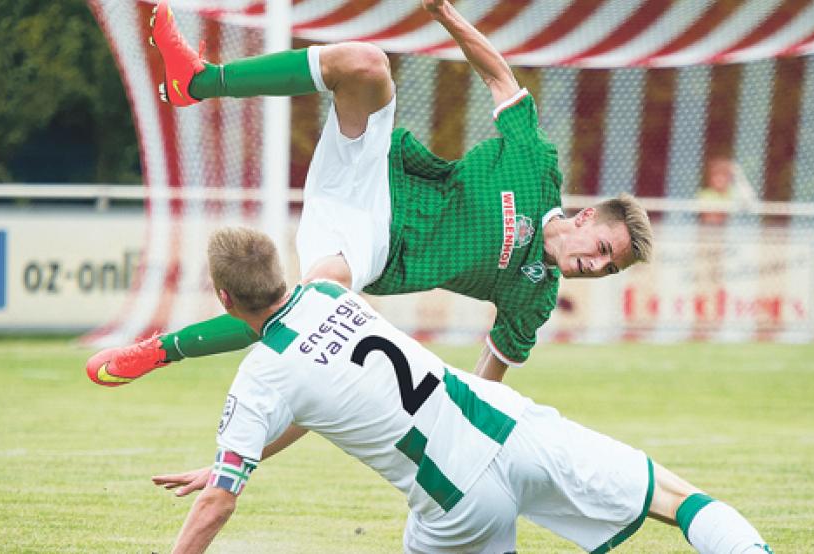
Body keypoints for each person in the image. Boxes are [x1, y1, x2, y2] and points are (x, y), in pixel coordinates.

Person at [86, 0, 653, 386]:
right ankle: (200, 82)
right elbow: (502, 79)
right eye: (603, 250)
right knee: (364, 63)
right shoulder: (537, 164)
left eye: (607, 271)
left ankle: (159, 351)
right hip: (376, 168)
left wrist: (463, 432)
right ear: (585, 218)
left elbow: (490, 377)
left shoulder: (534, 296)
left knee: (300, 307)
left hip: (374, 245)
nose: (595, 267)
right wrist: (444, 12)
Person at [151, 226, 770, 554]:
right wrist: (235, 460)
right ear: (282, 275)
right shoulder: (330, 293)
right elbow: (326, 399)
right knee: (678, 500)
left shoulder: (262, 375)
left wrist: (230, 467)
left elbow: (219, 505)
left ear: (224, 298)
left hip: (455, 502)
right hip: (511, 427)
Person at [696, 157, 755, 225]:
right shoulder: (705, 194)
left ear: (729, 178)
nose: (719, 179)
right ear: (710, 178)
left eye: (723, 175)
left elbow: (750, 202)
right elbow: (710, 217)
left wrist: (738, 175)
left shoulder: (733, 192)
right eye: (715, 175)